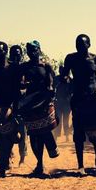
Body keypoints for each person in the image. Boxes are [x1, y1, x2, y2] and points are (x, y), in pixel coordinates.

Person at [63, 34, 96, 175]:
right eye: (77, 44)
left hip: (94, 100)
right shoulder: (71, 58)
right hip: (78, 99)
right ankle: (81, 165)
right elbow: (65, 74)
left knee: (95, 131)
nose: (79, 47)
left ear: (89, 44)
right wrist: (66, 80)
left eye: (82, 44)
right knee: (78, 133)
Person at [19, 41, 60, 176]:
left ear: (39, 50)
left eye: (34, 50)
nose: (32, 53)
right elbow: (20, 83)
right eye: (29, 50)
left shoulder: (46, 66)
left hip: (44, 102)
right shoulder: (24, 67)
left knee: (43, 132)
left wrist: (49, 90)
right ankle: (40, 163)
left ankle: (42, 161)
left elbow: (51, 82)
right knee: (33, 135)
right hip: (30, 104)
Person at [0, 41, 22, 177]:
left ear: (6, 51)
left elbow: (18, 88)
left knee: (10, 134)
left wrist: (16, 109)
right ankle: (3, 162)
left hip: (11, 104)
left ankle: (5, 161)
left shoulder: (14, 67)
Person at [8, 45, 28, 165]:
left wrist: (24, 90)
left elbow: (29, 84)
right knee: (8, 132)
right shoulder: (7, 69)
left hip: (22, 106)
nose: (16, 56)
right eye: (14, 54)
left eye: (18, 54)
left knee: (23, 132)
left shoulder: (25, 68)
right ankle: (9, 155)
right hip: (8, 105)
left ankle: (22, 158)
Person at [55, 64, 72, 141]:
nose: (61, 71)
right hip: (59, 103)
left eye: (62, 70)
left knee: (65, 120)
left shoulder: (69, 79)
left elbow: (72, 90)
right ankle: (56, 136)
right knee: (58, 119)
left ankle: (67, 136)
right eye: (60, 70)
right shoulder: (56, 79)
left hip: (66, 103)